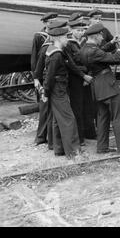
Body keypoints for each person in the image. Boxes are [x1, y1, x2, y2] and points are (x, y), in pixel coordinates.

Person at [80, 23, 120, 155]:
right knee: (117, 117)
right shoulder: (94, 51)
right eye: (101, 36)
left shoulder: (85, 49)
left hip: (97, 87)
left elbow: (101, 52)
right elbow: (116, 58)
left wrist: (112, 43)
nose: (102, 38)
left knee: (102, 118)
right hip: (107, 86)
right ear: (96, 36)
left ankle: (102, 147)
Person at [43, 27, 81, 159]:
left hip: (56, 88)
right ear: (59, 38)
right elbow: (50, 76)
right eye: (66, 37)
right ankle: (73, 152)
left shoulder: (52, 51)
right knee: (68, 119)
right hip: (58, 89)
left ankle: (59, 149)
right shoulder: (57, 55)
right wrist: (46, 93)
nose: (67, 39)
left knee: (57, 119)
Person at [33, 19, 64, 148]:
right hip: (46, 81)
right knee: (45, 110)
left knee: (50, 111)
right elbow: (37, 64)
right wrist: (37, 80)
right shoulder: (46, 46)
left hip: (48, 81)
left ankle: (50, 141)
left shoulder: (52, 46)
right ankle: (40, 137)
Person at [65, 18, 94, 146]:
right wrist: (83, 75)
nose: (81, 32)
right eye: (78, 30)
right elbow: (70, 65)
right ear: (71, 30)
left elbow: (91, 59)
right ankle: (80, 137)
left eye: (82, 30)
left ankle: (90, 133)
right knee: (77, 107)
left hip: (87, 78)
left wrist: (89, 75)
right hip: (76, 79)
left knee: (88, 105)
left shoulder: (84, 42)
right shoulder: (68, 44)